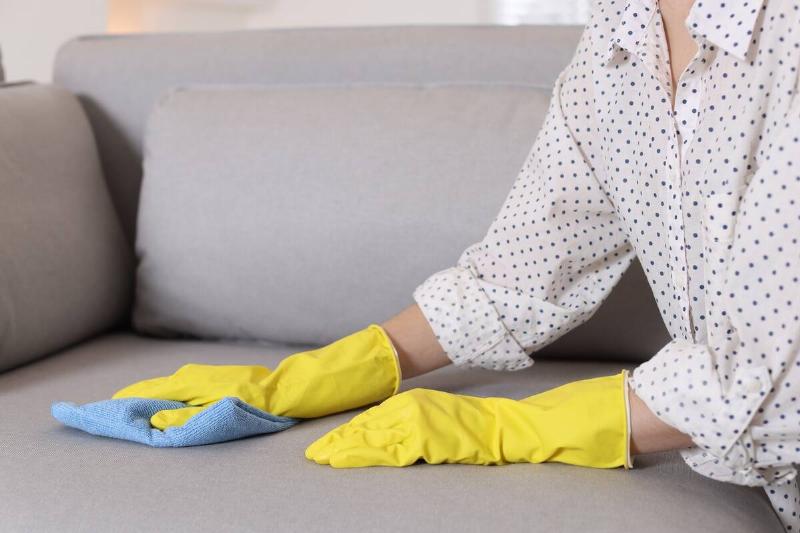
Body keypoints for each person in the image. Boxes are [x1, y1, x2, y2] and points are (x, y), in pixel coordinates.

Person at [114, 0, 799, 529]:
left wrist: (512, 427)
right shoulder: (619, 44)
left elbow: (776, 375)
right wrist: (331, 371)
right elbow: (519, 273)